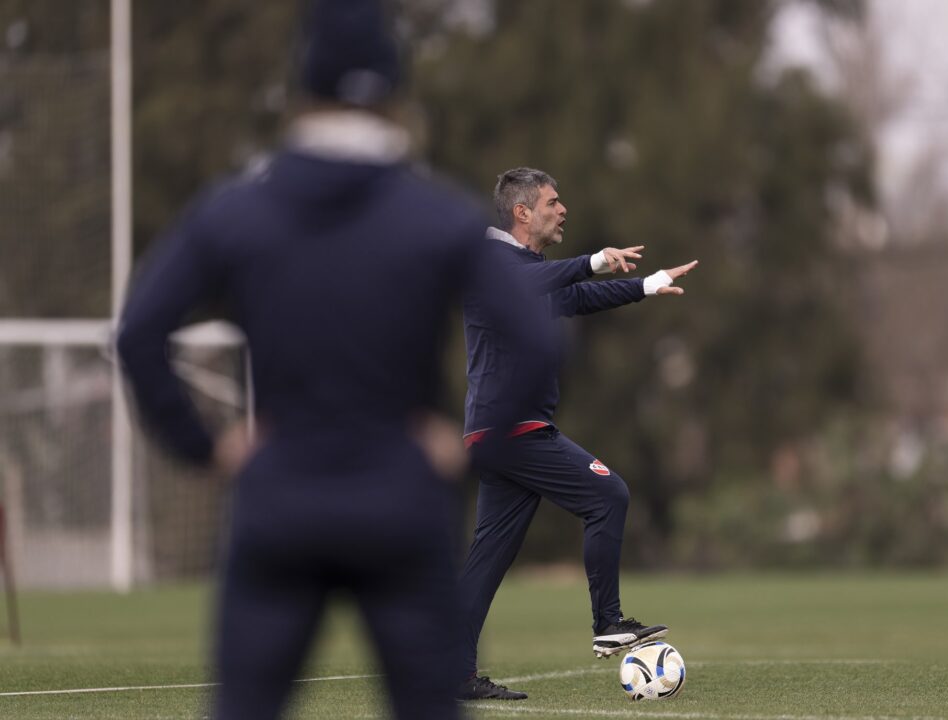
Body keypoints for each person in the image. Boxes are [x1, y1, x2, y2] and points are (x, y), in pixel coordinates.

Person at [115, 4, 552, 719]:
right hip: (401, 501)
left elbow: (138, 335)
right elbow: (536, 340)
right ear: (398, 100)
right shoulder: (437, 213)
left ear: (298, 92)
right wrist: (471, 449)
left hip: (280, 497)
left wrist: (209, 447)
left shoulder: (236, 210)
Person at [457, 167, 698, 701]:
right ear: (522, 212)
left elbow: (577, 299)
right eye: (551, 202)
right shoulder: (494, 263)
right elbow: (538, 283)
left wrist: (647, 284)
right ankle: (608, 621)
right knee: (608, 493)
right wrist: (592, 260)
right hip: (514, 429)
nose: (562, 210)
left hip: (498, 435)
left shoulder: (530, 271)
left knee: (488, 557)